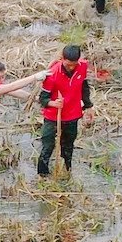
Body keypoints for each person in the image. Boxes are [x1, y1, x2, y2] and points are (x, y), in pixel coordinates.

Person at [37, 44, 92, 177]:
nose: (71, 67)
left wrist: (89, 106)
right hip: (53, 116)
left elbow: (84, 87)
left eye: (74, 64)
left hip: (73, 114)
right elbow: (43, 98)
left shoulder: (83, 66)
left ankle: (67, 170)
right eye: (68, 64)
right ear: (62, 59)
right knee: (47, 146)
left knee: (68, 146)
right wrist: (53, 103)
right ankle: (42, 176)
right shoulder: (52, 73)